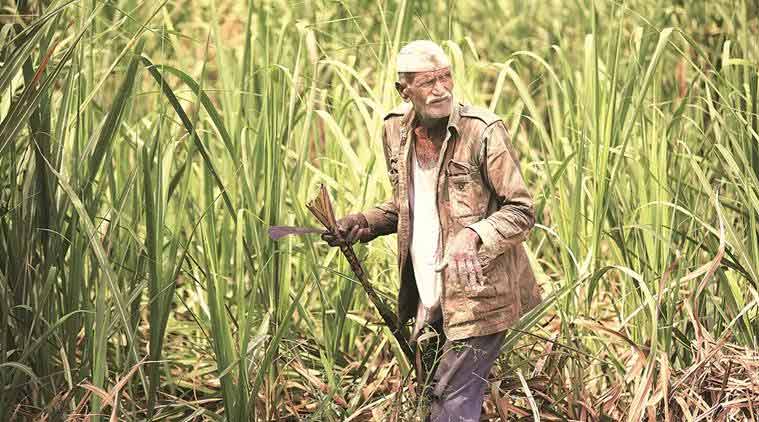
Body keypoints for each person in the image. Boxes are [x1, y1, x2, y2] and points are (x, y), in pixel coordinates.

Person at [322, 39, 542, 421]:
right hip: (428, 293)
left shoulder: (483, 132)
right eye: (428, 82)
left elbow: (522, 211)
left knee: (450, 400)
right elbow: (410, 206)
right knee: (433, 395)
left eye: (445, 77)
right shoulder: (394, 131)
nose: (441, 89)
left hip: (478, 295)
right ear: (403, 90)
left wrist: (473, 235)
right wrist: (366, 222)